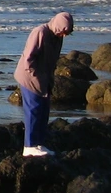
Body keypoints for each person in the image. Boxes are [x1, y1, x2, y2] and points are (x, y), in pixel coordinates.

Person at [14, 11, 74, 157]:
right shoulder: (39, 32)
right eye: (63, 31)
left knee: (43, 112)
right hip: (30, 78)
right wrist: (36, 76)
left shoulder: (57, 37)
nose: (64, 35)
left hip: (44, 78)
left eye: (68, 32)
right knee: (33, 111)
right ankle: (29, 147)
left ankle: (38, 144)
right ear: (58, 26)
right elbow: (29, 58)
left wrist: (48, 78)